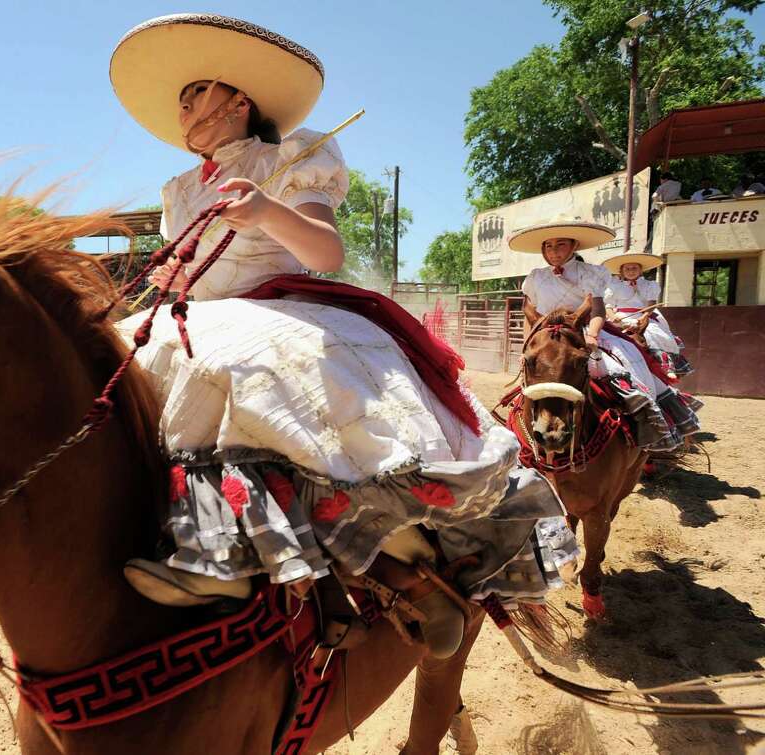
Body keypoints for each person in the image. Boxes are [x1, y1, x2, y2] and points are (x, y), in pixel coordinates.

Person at [109, 13, 577, 659]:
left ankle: (236, 554)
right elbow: (189, 270)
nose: (184, 105)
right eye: (182, 97)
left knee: (219, 362)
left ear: (239, 100)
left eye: (198, 91)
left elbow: (325, 252)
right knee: (116, 354)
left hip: (279, 309)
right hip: (202, 314)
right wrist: (173, 269)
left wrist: (267, 209)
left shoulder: (291, 155)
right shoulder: (180, 189)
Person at [512, 218, 699, 450]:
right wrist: (527, 345)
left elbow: (598, 310)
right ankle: (520, 432)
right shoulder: (536, 277)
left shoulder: (590, 273)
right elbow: (531, 316)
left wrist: (591, 336)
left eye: (560, 245)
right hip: (547, 336)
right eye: (548, 246)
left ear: (573, 246)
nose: (554, 251)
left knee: (621, 366)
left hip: (584, 330)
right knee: (528, 377)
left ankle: (642, 424)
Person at [603, 253, 692, 380]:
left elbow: (651, 304)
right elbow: (608, 306)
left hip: (644, 314)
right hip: (621, 315)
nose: (631, 271)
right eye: (627, 269)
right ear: (621, 271)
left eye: (634, 268)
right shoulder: (614, 287)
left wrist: (644, 316)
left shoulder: (650, 285)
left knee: (654, 333)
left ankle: (666, 366)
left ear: (641, 270)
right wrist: (612, 317)